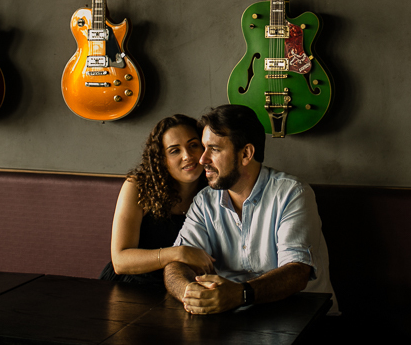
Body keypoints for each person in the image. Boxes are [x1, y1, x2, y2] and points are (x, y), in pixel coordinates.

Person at [164, 104, 339, 315]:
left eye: (215, 149)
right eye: (204, 147)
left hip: (301, 316)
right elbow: (176, 265)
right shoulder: (205, 201)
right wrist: (190, 292)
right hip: (235, 318)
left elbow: (297, 271)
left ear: (246, 153)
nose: (202, 159)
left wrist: (240, 294)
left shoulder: (292, 193)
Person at [101, 114, 216, 286]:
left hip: (183, 286)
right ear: (162, 159)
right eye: (174, 151)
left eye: (193, 145)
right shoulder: (138, 187)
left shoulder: (215, 189)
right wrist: (179, 253)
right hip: (131, 285)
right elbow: (120, 261)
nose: (187, 156)